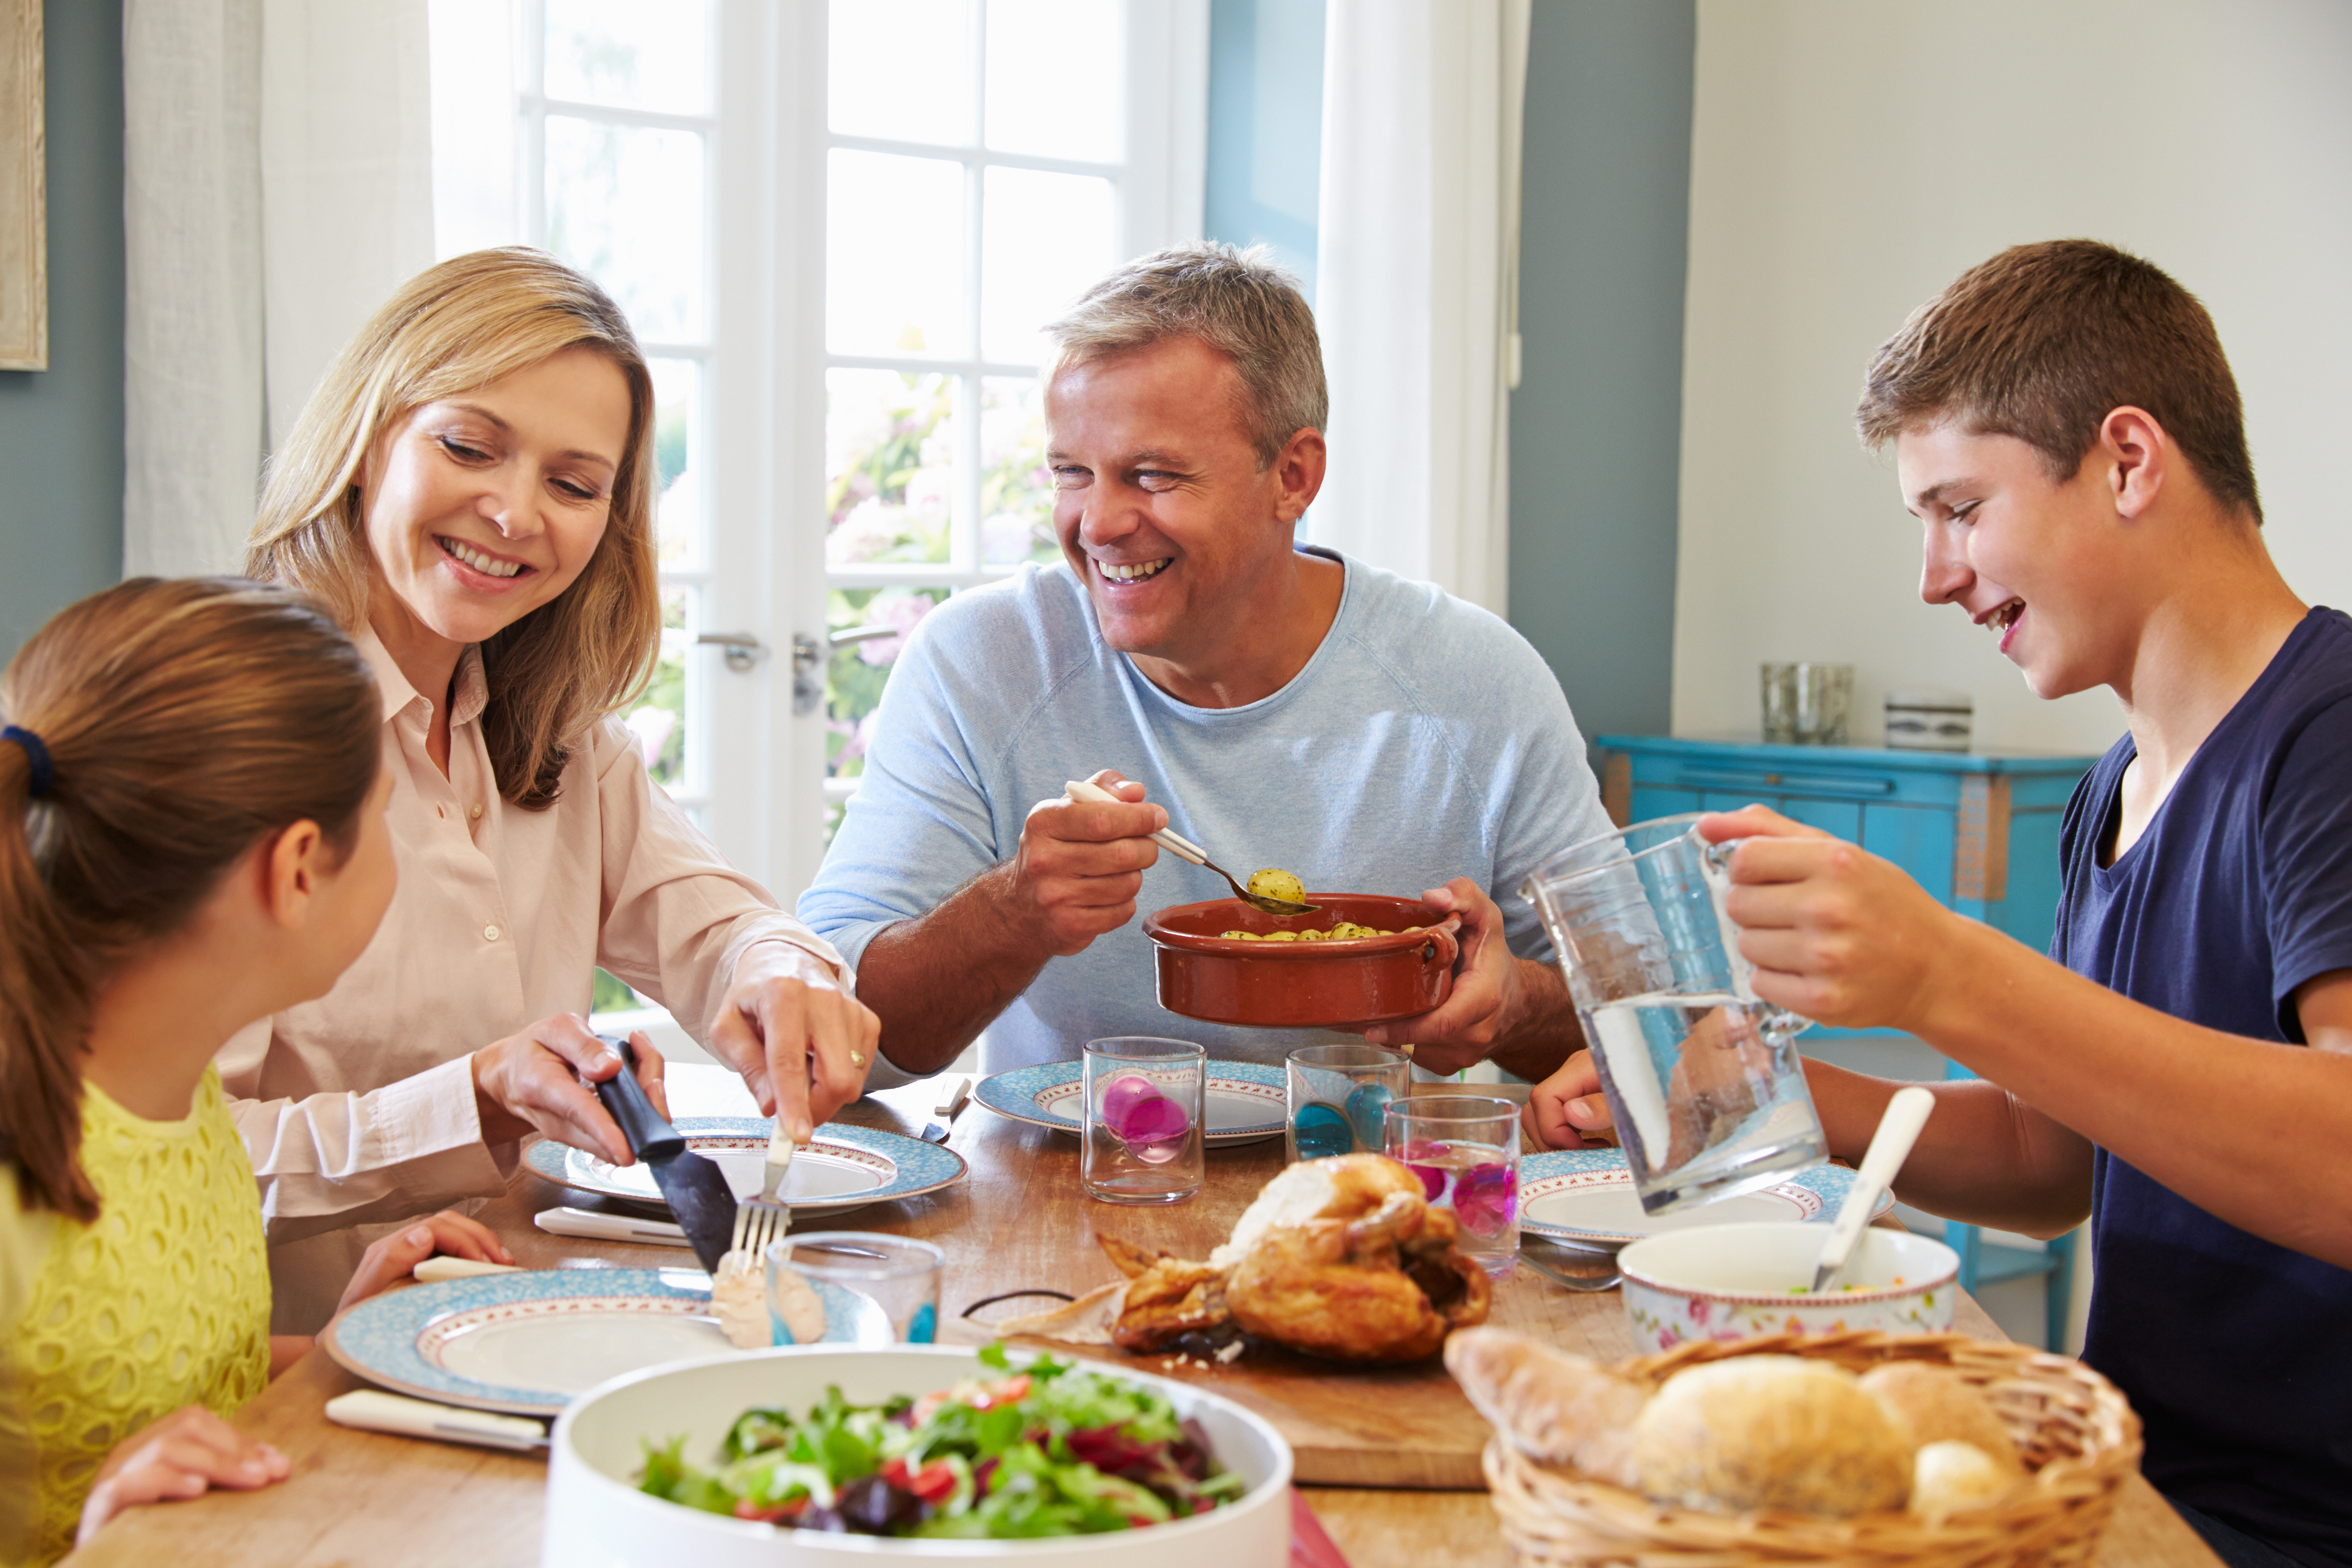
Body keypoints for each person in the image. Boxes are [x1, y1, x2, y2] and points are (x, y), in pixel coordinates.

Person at [1524, 241, 2352, 1568]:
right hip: (2129, 1482)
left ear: (2127, 461)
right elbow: (2054, 1166)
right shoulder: (2115, 787)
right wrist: (1751, 1096)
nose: (1932, 573)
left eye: (1958, 508)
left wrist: (1947, 977)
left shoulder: (2327, 734)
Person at [233, 248, 880, 1330]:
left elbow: (719, 925)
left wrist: (778, 967)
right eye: (468, 447)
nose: (512, 511)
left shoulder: (563, 740)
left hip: (522, 1335)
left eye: (574, 485)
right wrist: (470, 1099)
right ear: (363, 442)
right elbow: (143, 1166)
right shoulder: (233, 741)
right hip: (281, 1394)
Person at [800, 243, 1610, 1084]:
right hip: (1064, 1200)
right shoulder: (981, 659)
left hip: (1374, 1200)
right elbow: (832, 1031)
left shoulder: (1475, 681)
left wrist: (1514, 1004)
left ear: (1292, 476)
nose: (1098, 523)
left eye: (1152, 476)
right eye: (1072, 473)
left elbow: (1653, 1017)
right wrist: (1014, 913)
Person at [0, 578, 509, 1565]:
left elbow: (153, 1398)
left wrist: (335, 1352)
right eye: (387, 818)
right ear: (300, 868)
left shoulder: (178, 1096)